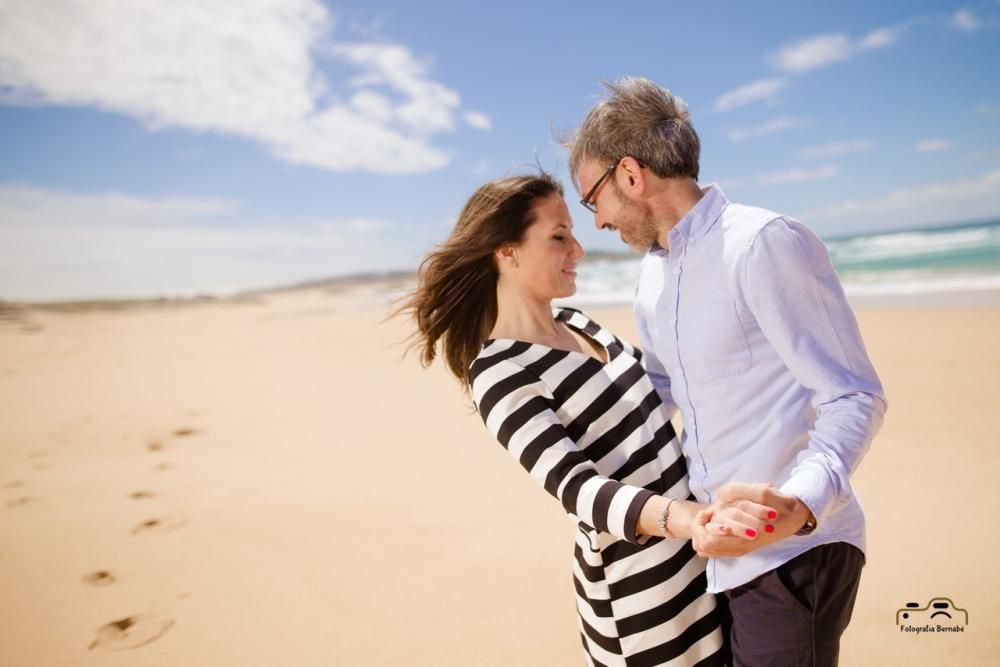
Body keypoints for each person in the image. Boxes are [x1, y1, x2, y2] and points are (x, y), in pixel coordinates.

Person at [564, 77, 888, 666]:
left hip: (795, 549)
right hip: (712, 551)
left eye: (593, 200)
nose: (598, 223)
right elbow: (656, 396)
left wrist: (799, 504)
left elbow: (854, 394)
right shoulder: (653, 278)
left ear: (631, 175)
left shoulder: (762, 243)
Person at [399, 172, 782, 666]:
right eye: (558, 236)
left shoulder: (579, 324)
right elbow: (576, 488)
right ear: (506, 251)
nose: (578, 249)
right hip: (640, 597)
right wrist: (686, 518)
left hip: (700, 561)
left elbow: (661, 396)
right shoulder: (499, 373)